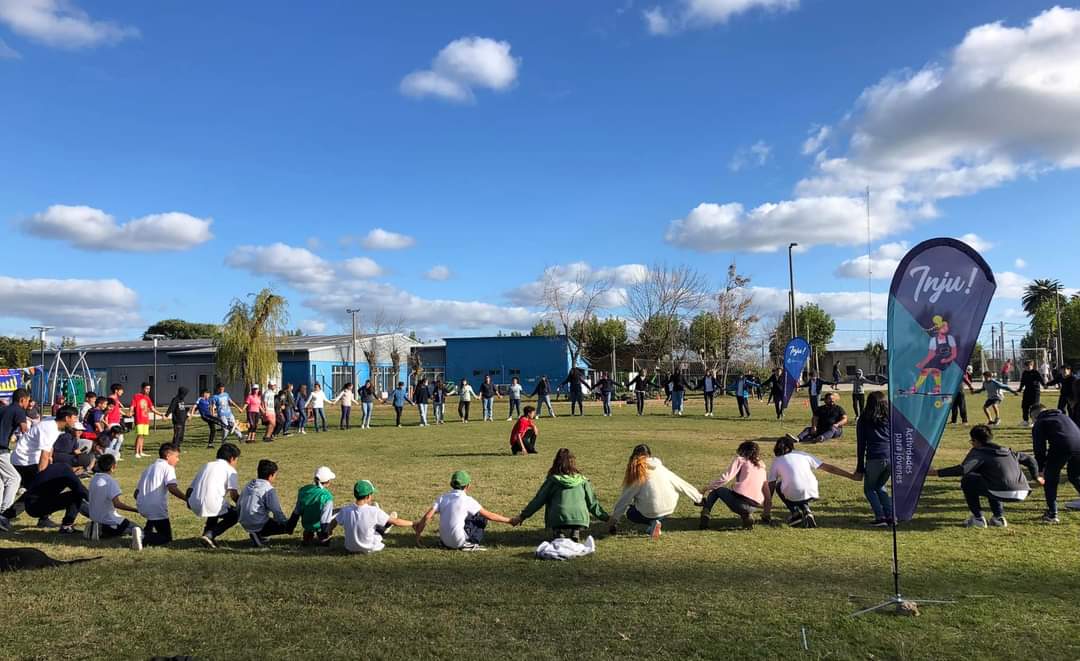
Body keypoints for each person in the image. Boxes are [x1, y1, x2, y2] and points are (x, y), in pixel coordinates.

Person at [929, 425, 1040, 527]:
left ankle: (978, 519)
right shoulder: (1008, 451)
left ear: (976, 441)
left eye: (972, 441)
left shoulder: (979, 452)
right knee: (990, 480)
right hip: (1023, 491)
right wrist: (1036, 477)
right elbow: (1030, 459)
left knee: (968, 480)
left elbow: (963, 469)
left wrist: (936, 472)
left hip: (1001, 490)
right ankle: (998, 518)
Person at [512, 448, 608, 541]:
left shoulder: (552, 480)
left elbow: (538, 501)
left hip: (558, 518)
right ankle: (576, 530)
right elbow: (592, 503)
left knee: (554, 509)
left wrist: (522, 516)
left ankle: (558, 531)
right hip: (580, 518)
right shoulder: (583, 480)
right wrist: (607, 518)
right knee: (577, 512)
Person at [608, 444, 702, 539]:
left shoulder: (637, 473)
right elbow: (680, 483)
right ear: (649, 455)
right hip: (669, 508)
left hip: (652, 511)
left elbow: (625, 499)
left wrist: (614, 521)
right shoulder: (661, 468)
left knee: (630, 513)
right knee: (653, 508)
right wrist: (698, 498)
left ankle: (652, 523)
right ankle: (655, 524)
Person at [767, 435, 857, 528]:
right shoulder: (803, 454)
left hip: (794, 494)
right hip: (812, 491)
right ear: (792, 446)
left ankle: (795, 513)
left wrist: (767, 504)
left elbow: (771, 484)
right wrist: (850, 476)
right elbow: (830, 468)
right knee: (800, 489)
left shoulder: (777, 461)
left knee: (780, 486)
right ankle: (806, 510)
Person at [413, 470, 515, 550]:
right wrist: (510, 521)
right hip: (458, 542)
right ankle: (472, 542)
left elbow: (427, 516)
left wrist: (418, 537)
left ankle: (450, 541)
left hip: (444, 541)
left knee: (466, 516)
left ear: (451, 484)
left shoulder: (442, 498)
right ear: (468, 486)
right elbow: (489, 515)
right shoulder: (467, 500)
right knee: (481, 518)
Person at [2, 461, 87, 535]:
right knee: (76, 495)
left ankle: (5, 516)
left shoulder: (56, 467)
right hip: (38, 508)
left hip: (30, 502)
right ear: (78, 469)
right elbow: (83, 492)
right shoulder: (69, 475)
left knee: (35, 493)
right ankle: (66, 526)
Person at [699, 440, 770, 530]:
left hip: (740, 502)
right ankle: (747, 517)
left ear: (742, 450)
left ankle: (706, 512)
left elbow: (725, 478)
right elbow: (766, 491)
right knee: (743, 504)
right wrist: (766, 513)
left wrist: (705, 488)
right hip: (754, 506)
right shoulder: (762, 466)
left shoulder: (740, 460)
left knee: (717, 489)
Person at [329, 479, 413, 554]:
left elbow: (334, 521)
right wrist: (413, 523)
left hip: (349, 548)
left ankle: (385, 522)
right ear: (368, 496)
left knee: (372, 524)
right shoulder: (373, 511)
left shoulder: (345, 510)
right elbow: (397, 522)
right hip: (370, 548)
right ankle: (386, 524)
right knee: (379, 528)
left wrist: (328, 531)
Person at [1029, 403, 1080, 523]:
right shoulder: (1064, 416)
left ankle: (1052, 513)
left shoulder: (1040, 422)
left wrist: (1040, 468)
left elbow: (1039, 448)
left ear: (1034, 416)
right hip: (1079, 445)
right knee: (1074, 476)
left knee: (1050, 479)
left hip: (1061, 446)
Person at [187, 443, 241, 549]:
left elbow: (190, 488)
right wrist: (242, 506)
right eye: (236, 460)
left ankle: (206, 536)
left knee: (216, 508)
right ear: (231, 458)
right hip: (211, 503)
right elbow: (234, 495)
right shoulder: (230, 470)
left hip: (194, 501)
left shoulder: (206, 465)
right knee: (235, 515)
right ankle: (210, 534)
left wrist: (188, 501)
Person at [86, 453, 144, 550]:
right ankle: (102, 531)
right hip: (109, 519)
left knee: (127, 527)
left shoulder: (94, 479)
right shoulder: (110, 481)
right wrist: (136, 510)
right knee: (136, 528)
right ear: (113, 466)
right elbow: (117, 504)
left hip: (94, 517)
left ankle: (96, 527)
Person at [134, 442, 186, 546]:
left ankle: (145, 532)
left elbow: (136, 493)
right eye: (176, 456)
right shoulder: (168, 467)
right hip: (156, 508)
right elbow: (172, 488)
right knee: (166, 538)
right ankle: (142, 537)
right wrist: (186, 499)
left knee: (153, 518)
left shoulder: (148, 468)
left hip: (141, 505)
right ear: (168, 456)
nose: (177, 459)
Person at [854, 391, 892, 525]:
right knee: (881, 486)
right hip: (890, 457)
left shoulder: (864, 420)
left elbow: (861, 444)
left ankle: (880, 516)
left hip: (875, 457)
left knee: (869, 489)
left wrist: (859, 466)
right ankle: (890, 516)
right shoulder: (890, 417)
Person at [239, 459, 296, 548]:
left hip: (243, 520)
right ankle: (257, 533)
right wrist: (285, 524)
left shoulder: (249, 484)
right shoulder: (268, 489)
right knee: (287, 527)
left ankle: (258, 534)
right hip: (257, 522)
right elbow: (276, 511)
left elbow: (239, 502)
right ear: (271, 475)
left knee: (266, 518)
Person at [0, 388, 31, 529]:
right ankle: (4, 513)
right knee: (14, 479)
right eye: (28, 401)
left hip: (3, 448)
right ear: (22, 400)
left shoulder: (3, 409)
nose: (28, 404)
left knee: (1, 481)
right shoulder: (18, 410)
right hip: (1, 450)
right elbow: (25, 430)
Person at [293, 466, 336, 545]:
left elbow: (297, 510)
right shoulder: (327, 496)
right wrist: (325, 534)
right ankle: (323, 537)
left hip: (306, 523)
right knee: (337, 513)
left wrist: (290, 525)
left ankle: (308, 534)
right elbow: (325, 519)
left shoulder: (303, 490)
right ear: (328, 481)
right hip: (320, 525)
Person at [131, 382, 166, 460]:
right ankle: (136, 452)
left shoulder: (147, 398)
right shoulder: (136, 396)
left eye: (149, 389)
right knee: (139, 435)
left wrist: (161, 414)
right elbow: (132, 406)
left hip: (145, 419)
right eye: (146, 388)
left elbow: (152, 409)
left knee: (143, 436)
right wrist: (130, 412)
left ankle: (141, 451)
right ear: (142, 388)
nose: (148, 390)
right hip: (139, 419)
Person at [1018, 360, 1047, 427]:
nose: (1027, 367)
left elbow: (1040, 379)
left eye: (1029, 366)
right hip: (1027, 391)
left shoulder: (1035, 372)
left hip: (1035, 392)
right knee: (1024, 406)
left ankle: (1034, 421)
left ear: (1032, 366)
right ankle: (1025, 421)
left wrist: (1044, 385)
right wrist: (1019, 389)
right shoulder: (1024, 373)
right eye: (1026, 366)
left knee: (1035, 407)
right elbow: (1022, 382)